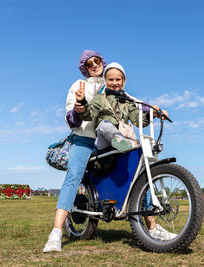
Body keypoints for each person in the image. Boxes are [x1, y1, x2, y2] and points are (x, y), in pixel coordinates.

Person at [76, 62, 177, 240]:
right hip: (104, 142)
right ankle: (119, 140)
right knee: (105, 125)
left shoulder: (127, 101)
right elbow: (88, 114)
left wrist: (153, 114)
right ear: (106, 81)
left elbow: (139, 121)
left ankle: (152, 227)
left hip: (121, 148)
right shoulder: (101, 98)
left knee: (141, 174)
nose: (114, 82)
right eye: (111, 79)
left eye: (118, 79)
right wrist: (81, 102)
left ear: (123, 81)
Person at [43, 50, 107, 253]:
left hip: (107, 141)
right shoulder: (79, 86)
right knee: (73, 176)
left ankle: (151, 225)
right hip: (84, 139)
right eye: (89, 64)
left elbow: (128, 102)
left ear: (102, 62)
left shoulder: (112, 82)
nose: (95, 65)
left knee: (135, 164)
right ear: (85, 69)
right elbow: (70, 119)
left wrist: (150, 109)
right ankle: (55, 234)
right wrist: (79, 107)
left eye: (97, 61)